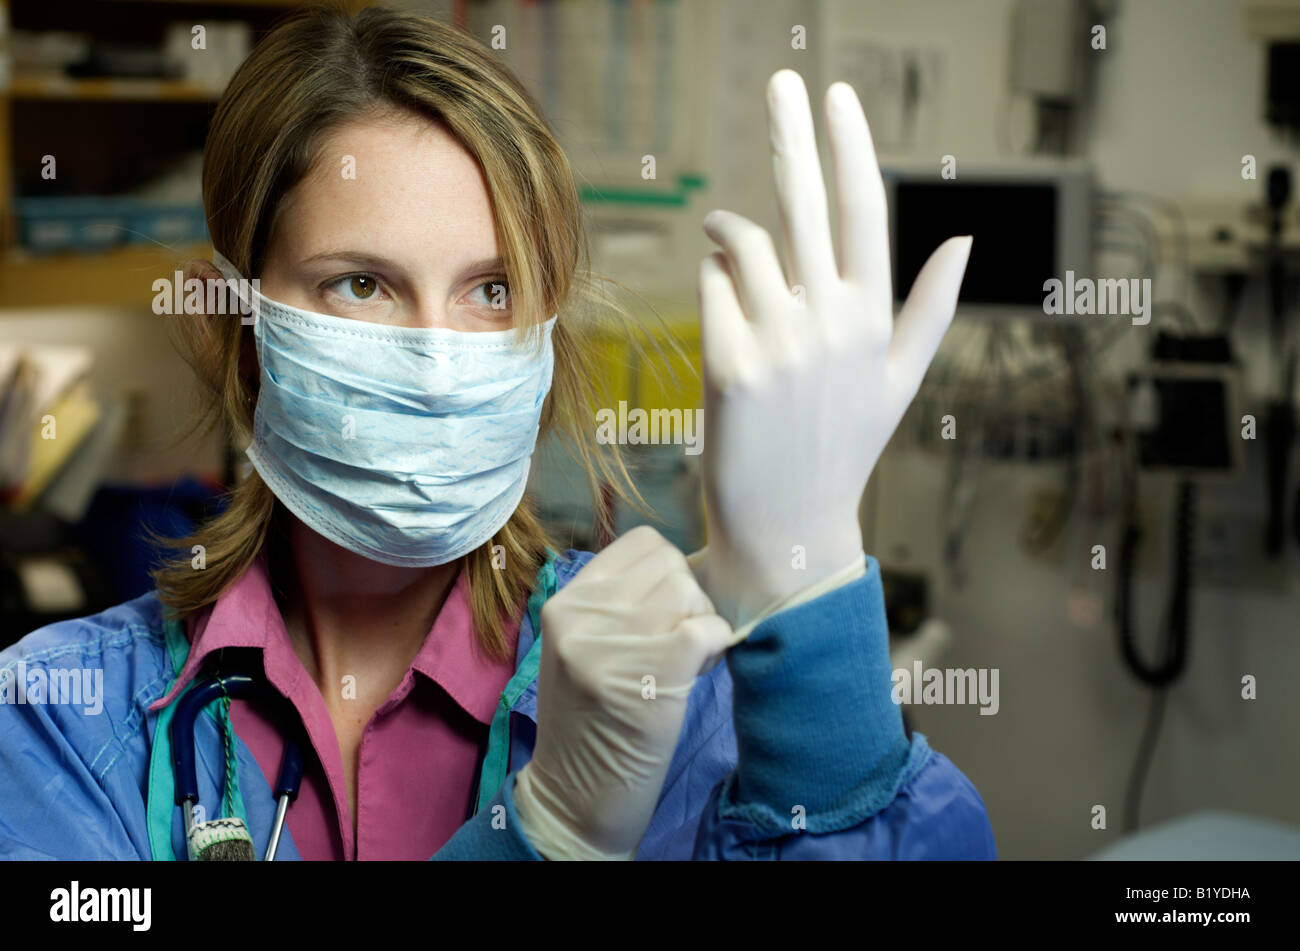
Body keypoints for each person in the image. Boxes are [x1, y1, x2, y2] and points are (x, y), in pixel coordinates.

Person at [0, 4, 994, 861]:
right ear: (240, 321)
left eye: (492, 289)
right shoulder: (62, 716)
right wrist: (550, 830)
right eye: (362, 283)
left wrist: (813, 581)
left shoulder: (678, 694)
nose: (439, 358)